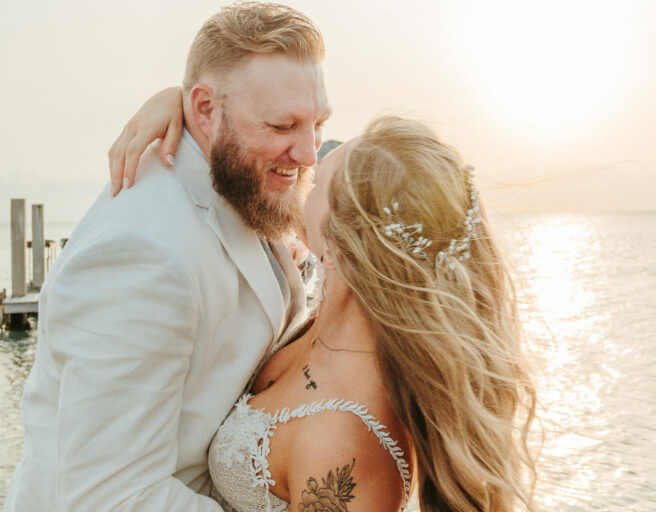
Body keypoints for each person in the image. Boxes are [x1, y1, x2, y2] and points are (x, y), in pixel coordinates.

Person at [109, 106, 539, 510]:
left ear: (338, 247)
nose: (304, 166)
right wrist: (183, 108)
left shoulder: (346, 445)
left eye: (316, 182)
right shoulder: (324, 304)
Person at [4, 4, 329, 511]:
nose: (309, 152)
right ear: (204, 110)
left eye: (316, 122)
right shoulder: (142, 254)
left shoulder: (248, 181)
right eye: (283, 124)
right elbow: (112, 498)